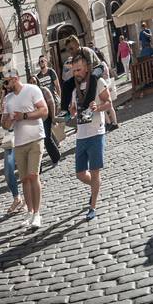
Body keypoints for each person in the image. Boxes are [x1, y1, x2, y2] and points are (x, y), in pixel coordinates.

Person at [1, 66, 49, 229]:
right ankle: (30, 212)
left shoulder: (32, 89)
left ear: (15, 78)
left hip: (36, 138)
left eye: (7, 81)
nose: (6, 84)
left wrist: (25, 116)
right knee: (25, 179)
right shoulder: (7, 99)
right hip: (19, 142)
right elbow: (5, 125)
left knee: (33, 175)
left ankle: (37, 214)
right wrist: (10, 120)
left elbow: (44, 110)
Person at [70, 53, 109, 220]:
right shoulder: (75, 88)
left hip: (95, 132)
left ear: (86, 68)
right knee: (80, 173)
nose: (76, 73)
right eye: (74, 70)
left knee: (94, 172)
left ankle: (92, 205)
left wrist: (97, 107)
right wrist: (71, 111)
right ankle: (96, 186)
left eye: (78, 69)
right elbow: (73, 110)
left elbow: (109, 103)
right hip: (81, 135)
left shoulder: (98, 82)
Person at [33, 57, 62, 167]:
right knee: (47, 129)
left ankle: (55, 143)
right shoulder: (39, 76)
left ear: (46, 62)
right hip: (44, 104)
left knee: (51, 125)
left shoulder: (51, 72)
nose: (41, 63)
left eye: (42, 61)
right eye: (39, 61)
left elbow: (57, 85)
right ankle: (55, 143)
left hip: (53, 101)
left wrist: (59, 98)